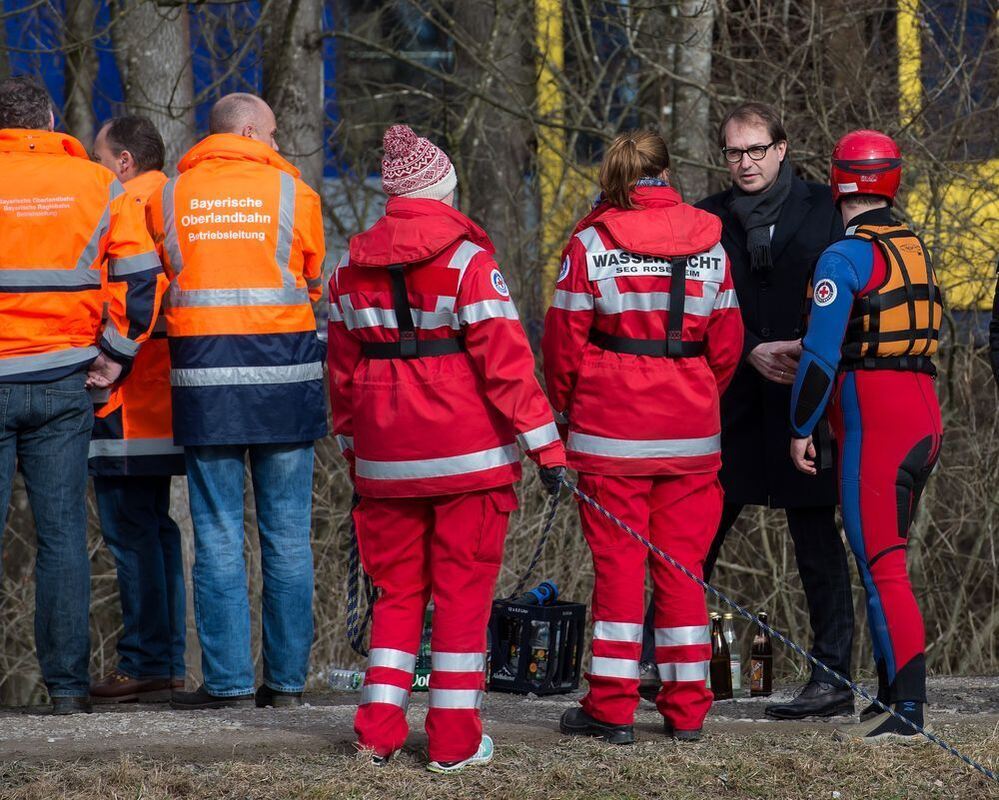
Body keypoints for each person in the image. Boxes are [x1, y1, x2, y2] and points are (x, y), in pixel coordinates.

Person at [328, 124, 566, 772]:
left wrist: (355, 454)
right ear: (444, 191)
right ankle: (454, 744)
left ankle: (376, 732)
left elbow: (341, 378)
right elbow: (508, 367)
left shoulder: (348, 268)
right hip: (468, 458)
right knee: (462, 599)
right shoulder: (466, 262)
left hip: (384, 460)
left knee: (396, 596)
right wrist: (548, 452)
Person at [542, 130, 743, 744]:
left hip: (611, 434)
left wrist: (570, 415)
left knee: (619, 570)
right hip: (691, 434)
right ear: (667, 172)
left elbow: (562, 346)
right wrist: (697, 395)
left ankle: (613, 708)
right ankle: (687, 711)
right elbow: (728, 345)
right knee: (684, 570)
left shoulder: (591, 243)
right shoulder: (712, 241)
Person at [145, 93, 327, 710]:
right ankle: (286, 687)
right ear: (250, 131)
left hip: (206, 383)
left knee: (219, 536)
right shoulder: (294, 194)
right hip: (285, 379)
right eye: (272, 134)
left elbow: (163, 274)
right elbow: (313, 273)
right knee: (287, 537)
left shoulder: (168, 196)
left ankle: (224, 686)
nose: (277, 145)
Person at [674, 102, 855, 720]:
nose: (744, 163)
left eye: (756, 150)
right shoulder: (704, 218)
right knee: (695, 533)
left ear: (781, 148)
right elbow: (693, 305)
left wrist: (810, 350)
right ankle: (662, 663)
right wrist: (749, 348)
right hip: (733, 398)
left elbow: (851, 294)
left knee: (815, 540)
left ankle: (832, 677)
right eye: (733, 152)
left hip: (808, 397)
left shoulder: (826, 209)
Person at [0, 77, 161, 714]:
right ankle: (67, 689)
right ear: (49, 121)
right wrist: (115, 357)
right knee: (62, 535)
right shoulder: (98, 185)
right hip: (64, 379)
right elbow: (141, 277)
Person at [790, 130, 944, 744]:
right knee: (885, 561)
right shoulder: (914, 245)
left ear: (838, 182)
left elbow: (821, 358)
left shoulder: (843, 256)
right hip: (923, 416)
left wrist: (800, 427)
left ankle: (907, 711)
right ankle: (889, 698)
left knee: (883, 564)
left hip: (876, 424)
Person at [88, 116, 187, 704]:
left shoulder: (128, 206)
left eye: (102, 158)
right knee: (156, 530)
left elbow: (133, 299)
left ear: (124, 161)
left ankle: (148, 659)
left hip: (127, 398)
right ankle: (165, 660)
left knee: (130, 533)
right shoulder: (175, 200)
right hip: (165, 398)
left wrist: (108, 361)